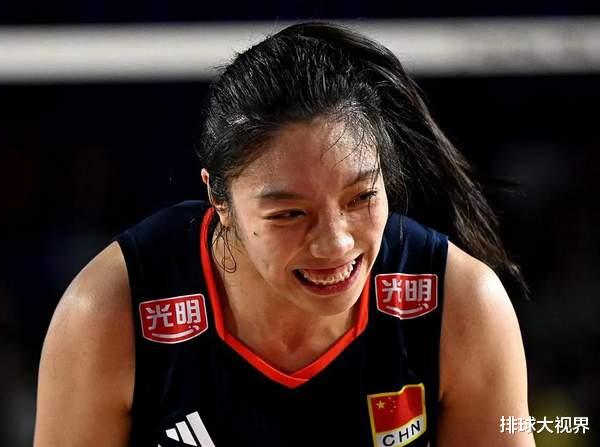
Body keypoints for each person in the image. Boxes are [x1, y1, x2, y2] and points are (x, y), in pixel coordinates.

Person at [34, 22, 535, 447]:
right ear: (219, 200)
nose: (336, 244)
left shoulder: (461, 303)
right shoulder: (111, 313)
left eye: (360, 198)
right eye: (290, 214)